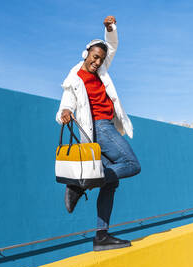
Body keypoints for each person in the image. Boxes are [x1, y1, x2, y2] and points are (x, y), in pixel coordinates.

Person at [55, 15, 141, 251]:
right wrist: (64, 111)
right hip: (99, 127)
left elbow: (111, 46)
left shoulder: (102, 70)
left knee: (110, 184)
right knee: (132, 164)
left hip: (107, 126)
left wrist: (110, 28)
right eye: (94, 57)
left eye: (101, 59)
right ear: (86, 54)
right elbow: (67, 100)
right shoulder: (75, 78)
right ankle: (83, 183)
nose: (97, 62)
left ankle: (101, 236)